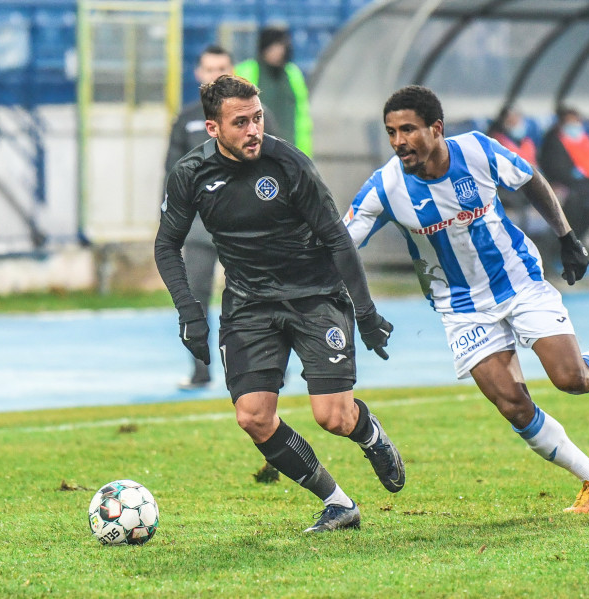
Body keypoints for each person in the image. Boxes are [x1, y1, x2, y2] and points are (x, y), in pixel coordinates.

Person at [344, 85, 589, 514]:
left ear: (436, 129)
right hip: (459, 305)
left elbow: (532, 180)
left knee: (571, 380)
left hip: (518, 281)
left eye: (409, 130)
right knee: (512, 404)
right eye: (391, 132)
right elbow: (340, 244)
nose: (399, 141)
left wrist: (567, 238)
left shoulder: (476, 150)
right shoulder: (386, 186)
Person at [154, 75, 404, 533]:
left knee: (333, 417)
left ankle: (369, 434)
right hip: (249, 306)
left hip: (315, 298)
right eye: (241, 122)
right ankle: (338, 503)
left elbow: (336, 238)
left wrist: (365, 314)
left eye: (258, 118)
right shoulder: (191, 173)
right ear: (213, 129)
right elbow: (167, 245)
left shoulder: (289, 164)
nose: (254, 130)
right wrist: (190, 313)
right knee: (253, 416)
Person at [164, 45, 235, 390]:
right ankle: (200, 369)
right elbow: (172, 174)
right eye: (208, 69)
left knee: (258, 296)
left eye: (221, 68)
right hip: (199, 229)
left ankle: (263, 369)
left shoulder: (255, 116)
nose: (215, 75)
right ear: (198, 74)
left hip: (244, 228)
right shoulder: (187, 118)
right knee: (195, 300)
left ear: (232, 71)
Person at [235, 26, 312, 156]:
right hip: (256, 150)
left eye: (281, 47)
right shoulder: (246, 71)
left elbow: (302, 116)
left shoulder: (293, 74)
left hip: (289, 150)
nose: (278, 52)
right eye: (273, 47)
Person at [538, 107, 589, 241]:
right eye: (570, 122)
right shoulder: (553, 143)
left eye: (577, 122)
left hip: (587, 191)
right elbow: (556, 170)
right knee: (574, 207)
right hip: (567, 190)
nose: (575, 126)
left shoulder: (584, 141)